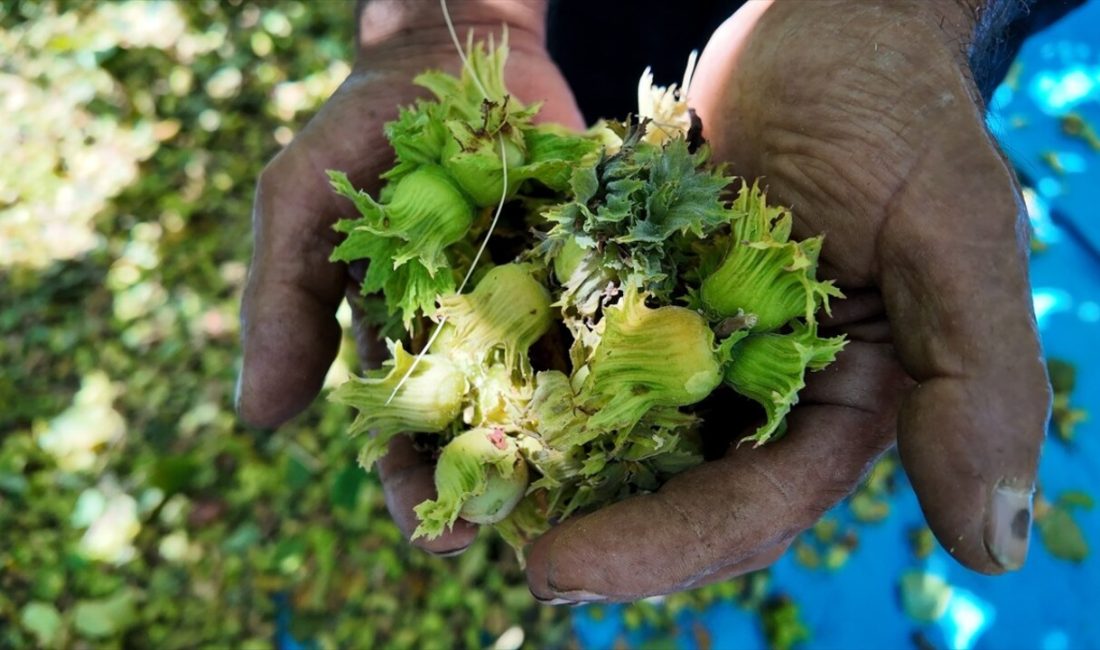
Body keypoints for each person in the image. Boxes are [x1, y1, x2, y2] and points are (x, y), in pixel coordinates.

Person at [236, 0, 1086, 605]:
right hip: (597, 50)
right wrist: (446, 18)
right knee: (612, 88)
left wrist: (910, 15)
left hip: (811, 62)